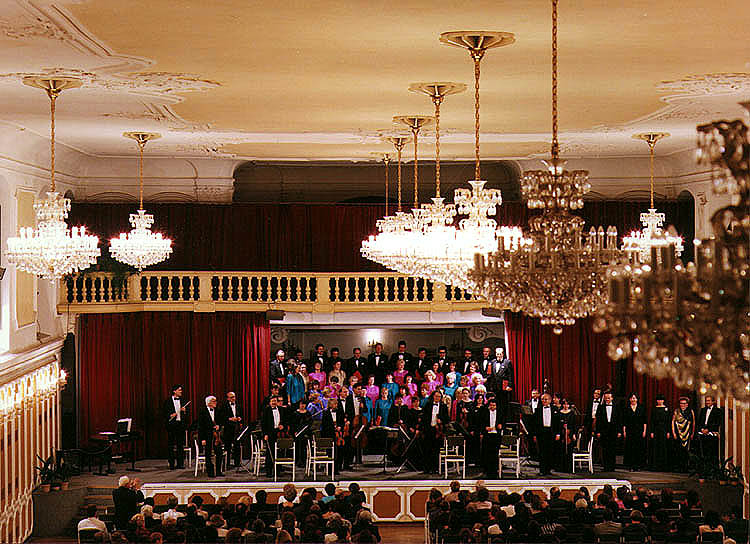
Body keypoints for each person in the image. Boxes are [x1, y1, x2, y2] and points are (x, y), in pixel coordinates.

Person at [421, 390, 450, 474]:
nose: (437, 398)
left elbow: (447, 419)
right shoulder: (428, 405)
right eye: (436, 396)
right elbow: (424, 417)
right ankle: (427, 468)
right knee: (427, 449)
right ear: (433, 396)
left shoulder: (444, 406)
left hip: (438, 431)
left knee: (436, 450)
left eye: (439, 397)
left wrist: (441, 421)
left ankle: (436, 468)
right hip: (429, 429)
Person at [162, 384, 188, 470]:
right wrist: (170, 415)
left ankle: (180, 464)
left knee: (180, 445)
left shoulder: (183, 401)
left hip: (180, 425)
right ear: (174, 391)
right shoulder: (167, 401)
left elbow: (186, 415)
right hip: (171, 426)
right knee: (171, 445)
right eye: (179, 390)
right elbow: (164, 414)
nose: (181, 391)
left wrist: (184, 412)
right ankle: (172, 464)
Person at [198, 395, 224, 477]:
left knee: (219, 454)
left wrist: (218, 426)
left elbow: (221, 421)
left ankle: (219, 471)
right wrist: (202, 439)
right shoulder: (202, 412)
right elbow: (200, 427)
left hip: (217, 437)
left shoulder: (218, 411)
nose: (216, 402)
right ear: (208, 403)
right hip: (207, 436)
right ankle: (211, 472)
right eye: (214, 401)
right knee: (208, 455)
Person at [534, 393, 560, 476]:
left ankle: (548, 470)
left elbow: (558, 423)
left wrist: (558, 434)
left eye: (545, 399)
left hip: (551, 432)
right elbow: (534, 424)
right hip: (541, 432)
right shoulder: (537, 410)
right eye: (542, 399)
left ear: (550, 400)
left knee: (550, 451)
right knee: (542, 452)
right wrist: (535, 435)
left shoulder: (555, 409)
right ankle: (542, 470)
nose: (544, 401)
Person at [595, 390, 620, 472]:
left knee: (612, 449)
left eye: (609, 398)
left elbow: (620, 420)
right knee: (605, 449)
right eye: (606, 398)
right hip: (604, 430)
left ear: (612, 398)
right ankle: (605, 467)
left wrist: (619, 431)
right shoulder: (600, 407)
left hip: (613, 430)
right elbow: (598, 420)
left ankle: (612, 467)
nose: (607, 399)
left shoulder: (617, 407)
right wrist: (598, 431)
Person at [261, 395, 285, 477]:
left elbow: (285, 420)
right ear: (270, 402)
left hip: (279, 433)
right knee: (270, 453)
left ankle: (278, 471)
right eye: (272, 401)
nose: (274, 402)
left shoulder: (281, 409)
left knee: (279, 452)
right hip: (270, 433)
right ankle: (269, 472)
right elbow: (263, 423)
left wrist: (282, 425)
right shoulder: (266, 410)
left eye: (275, 401)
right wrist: (265, 434)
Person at [321, 397, 347, 474]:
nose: (336, 405)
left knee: (339, 451)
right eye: (335, 404)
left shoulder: (339, 412)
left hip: (339, 434)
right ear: (330, 405)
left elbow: (342, 422)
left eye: (336, 404)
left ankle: (337, 468)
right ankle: (330, 470)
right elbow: (324, 425)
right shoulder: (325, 413)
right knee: (330, 452)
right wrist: (333, 428)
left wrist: (340, 427)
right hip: (329, 434)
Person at [622, 392, 647, 471]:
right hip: (629, 430)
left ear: (637, 399)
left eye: (635, 398)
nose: (633, 399)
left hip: (639, 430)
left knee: (638, 448)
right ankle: (631, 466)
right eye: (632, 398)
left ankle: (638, 466)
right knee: (630, 448)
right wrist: (624, 431)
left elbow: (644, 421)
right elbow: (624, 422)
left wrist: (644, 431)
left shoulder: (641, 408)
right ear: (629, 399)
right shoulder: (626, 408)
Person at [218, 391, 243, 469]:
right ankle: (227, 463)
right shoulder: (224, 406)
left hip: (236, 428)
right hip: (228, 428)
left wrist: (239, 418)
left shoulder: (238, 405)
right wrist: (230, 419)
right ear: (228, 398)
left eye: (234, 397)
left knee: (237, 446)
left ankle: (237, 463)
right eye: (231, 397)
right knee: (227, 446)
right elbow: (221, 418)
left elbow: (241, 415)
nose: (233, 399)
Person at [697, 395, 723, 468]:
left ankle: (713, 470)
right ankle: (705, 469)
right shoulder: (703, 410)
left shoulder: (718, 411)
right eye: (706, 401)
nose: (707, 402)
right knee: (704, 453)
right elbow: (699, 422)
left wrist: (708, 429)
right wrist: (702, 429)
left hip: (712, 434)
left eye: (709, 401)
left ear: (713, 402)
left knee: (712, 453)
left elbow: (717, 423)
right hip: (703, 434)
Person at [672, 396, 695, 472]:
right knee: (678, 451)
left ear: (687, 404)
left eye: (684, 403)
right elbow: (673, 422)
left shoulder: (690, 411)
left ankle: (686, 467)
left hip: (687, 433)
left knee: (687, 451)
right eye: (681, 403)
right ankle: (679, 467)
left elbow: (693, 423)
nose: (683, 405)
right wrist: (674, 433)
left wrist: (692, 433)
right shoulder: (677, 411)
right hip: (678, 433)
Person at [481, 398, 503, 479]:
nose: (492, 407)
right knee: (487, 453)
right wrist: (485, 428)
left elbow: (503, 422)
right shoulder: (484, 413)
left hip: (496, 435)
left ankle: (495, 471)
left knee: (495, 453)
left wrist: (500, 426)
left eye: (494, 405)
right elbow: (481, 423)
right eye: (491, 405)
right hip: (487, 435)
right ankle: (487, 471)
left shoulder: (500, 413)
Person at [649, 394, 671, 471]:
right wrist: (651, 431)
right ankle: (655, 466)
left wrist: (668, 431)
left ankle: (663, 466)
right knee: (656, 447)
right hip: (656, 429)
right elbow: (651, 421)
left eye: (661, 400)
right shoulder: (654, 409)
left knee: (663, 447)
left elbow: (669, 421)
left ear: (663, 401)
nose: (659, 401)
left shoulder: (667, 409)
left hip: (664, 430)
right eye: (658, 400)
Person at [492, 347, 514, 421]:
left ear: (503, 354)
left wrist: (509, 386)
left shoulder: (507, 362)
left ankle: (504, 421)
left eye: (500, 354)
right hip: (495, 388)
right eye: (497, 354)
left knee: (504, 405)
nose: (498, 355)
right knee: (496, 405)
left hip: (504, 387)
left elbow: (511, 375)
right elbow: (491, 375)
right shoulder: (493, 362)